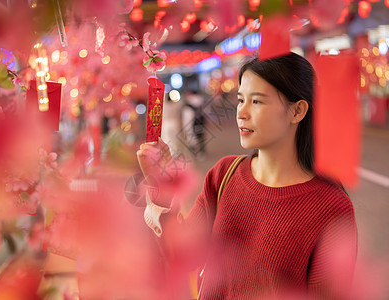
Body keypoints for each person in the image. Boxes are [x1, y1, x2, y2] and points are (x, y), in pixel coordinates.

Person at [137, 53, 357, 300]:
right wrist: (163, 183)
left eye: (257, 102)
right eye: (241, 100)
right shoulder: (223, 175)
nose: (241, 112)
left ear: (297, 111)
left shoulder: (331, 206)